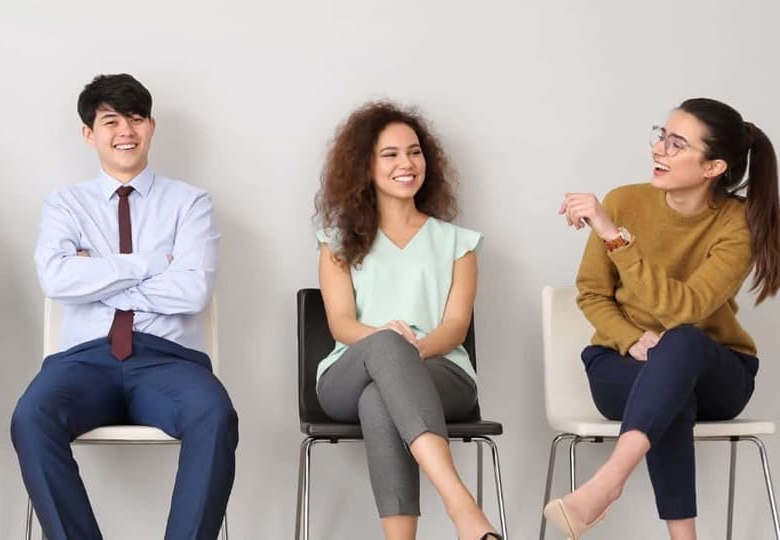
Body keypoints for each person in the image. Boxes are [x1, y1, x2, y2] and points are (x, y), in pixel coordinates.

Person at [11, 73, 236, 540]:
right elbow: (56, 278)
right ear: (89, 133)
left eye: (136, 119)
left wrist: (97, 276)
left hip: (168, 361)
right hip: (82, 362)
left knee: (214, 413)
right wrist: (153, 264)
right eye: (111, 121)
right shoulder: (65, 205)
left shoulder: (190, 203)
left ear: (152, 126)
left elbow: (192, 291)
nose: (125, 132)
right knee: (31, 416)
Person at [546, 98, 780, 539]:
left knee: (684, 340)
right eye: (661, 137)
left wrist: (614, 237)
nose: (659, 150)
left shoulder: (739, 223)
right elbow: (593, 294)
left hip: (718, 373)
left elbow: (684, 309)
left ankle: (607, 484)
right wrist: (632, 339)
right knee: (671, 394)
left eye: (676, 144)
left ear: (712, 168)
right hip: (621, 365)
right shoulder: (624, 201)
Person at [314, 101, 501, 540]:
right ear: (365, 166)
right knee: (383, 354)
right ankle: (463, 509)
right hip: (349, 372)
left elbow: (455, 327)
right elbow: (341, 325)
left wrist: (408, 352)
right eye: (391, 154)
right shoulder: (336, 243)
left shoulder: (458, 243)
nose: (407, 163)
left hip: (443, 373)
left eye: (414, 152)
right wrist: (388, 346)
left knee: (381, 396)